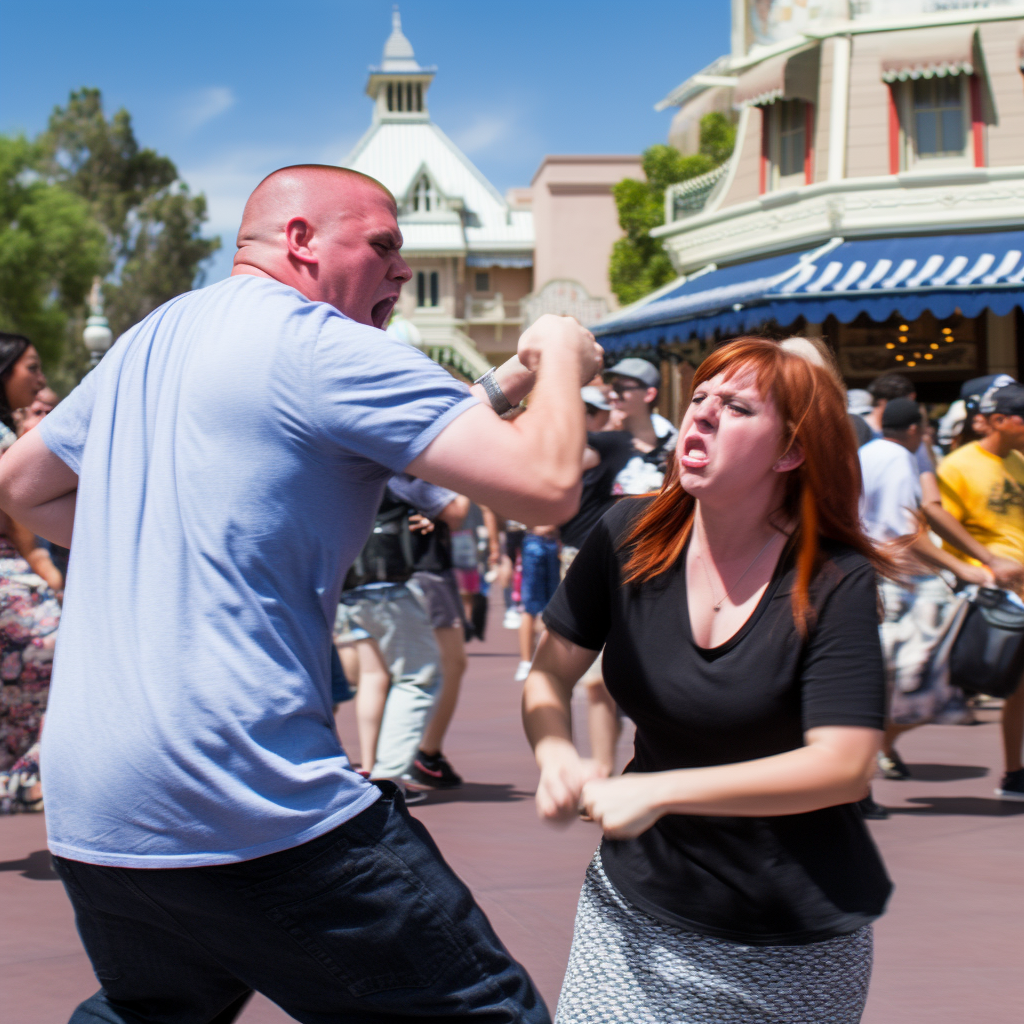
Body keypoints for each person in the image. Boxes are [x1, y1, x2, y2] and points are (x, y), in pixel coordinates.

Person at [0, 164, 603, 1023]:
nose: (401, 271)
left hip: (101, 807)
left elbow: (21, 487)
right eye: (385, 247)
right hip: (242, 790)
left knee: (160, 1008)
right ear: (301, 242)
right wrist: (564, 360)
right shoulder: (324, 344)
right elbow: (546, 486)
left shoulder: (157, 334)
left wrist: (155, 528)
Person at [524, 337, 894, 1024]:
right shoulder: (625, 535)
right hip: (634, 911)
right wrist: (553, 752)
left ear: (790, 452)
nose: (702, 415)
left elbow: (844, 765)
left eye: (736, 406)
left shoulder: (835, 580)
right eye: (699, 398)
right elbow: (549, 673)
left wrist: (662, 791)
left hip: (795, 945)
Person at [858, 398, 990, 794]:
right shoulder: (900, 458)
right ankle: (870, 756)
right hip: (896, 580)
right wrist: (959, 566)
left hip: (868, 574)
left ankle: (874, 753)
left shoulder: (867, 452)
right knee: (923, 676)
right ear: (916, 430)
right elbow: (902, 530)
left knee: (886, 678)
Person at [936, 383, 1024, 800]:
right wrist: (985, 565)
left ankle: (1013, 772)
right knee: (947, 688)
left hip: (1020, 589)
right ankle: (882, 742)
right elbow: (937, 527)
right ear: (998, 420)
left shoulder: (1020, 463)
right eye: (1021, 415)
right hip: (990, 595)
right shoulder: (957, 466)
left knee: (1019, 687)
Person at [0, 333, 61, 815]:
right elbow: (18, 517)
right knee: (58, 646)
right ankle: (22, 776)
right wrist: (46, 572)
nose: (39, 381)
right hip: (10, 581)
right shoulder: (3, 440)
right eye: (31, 368)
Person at [605, 357, 677, 495]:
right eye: (612, 387)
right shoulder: (601, 437)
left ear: (649, 394)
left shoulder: (673, 442)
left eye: (621, 389)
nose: (613, 395)